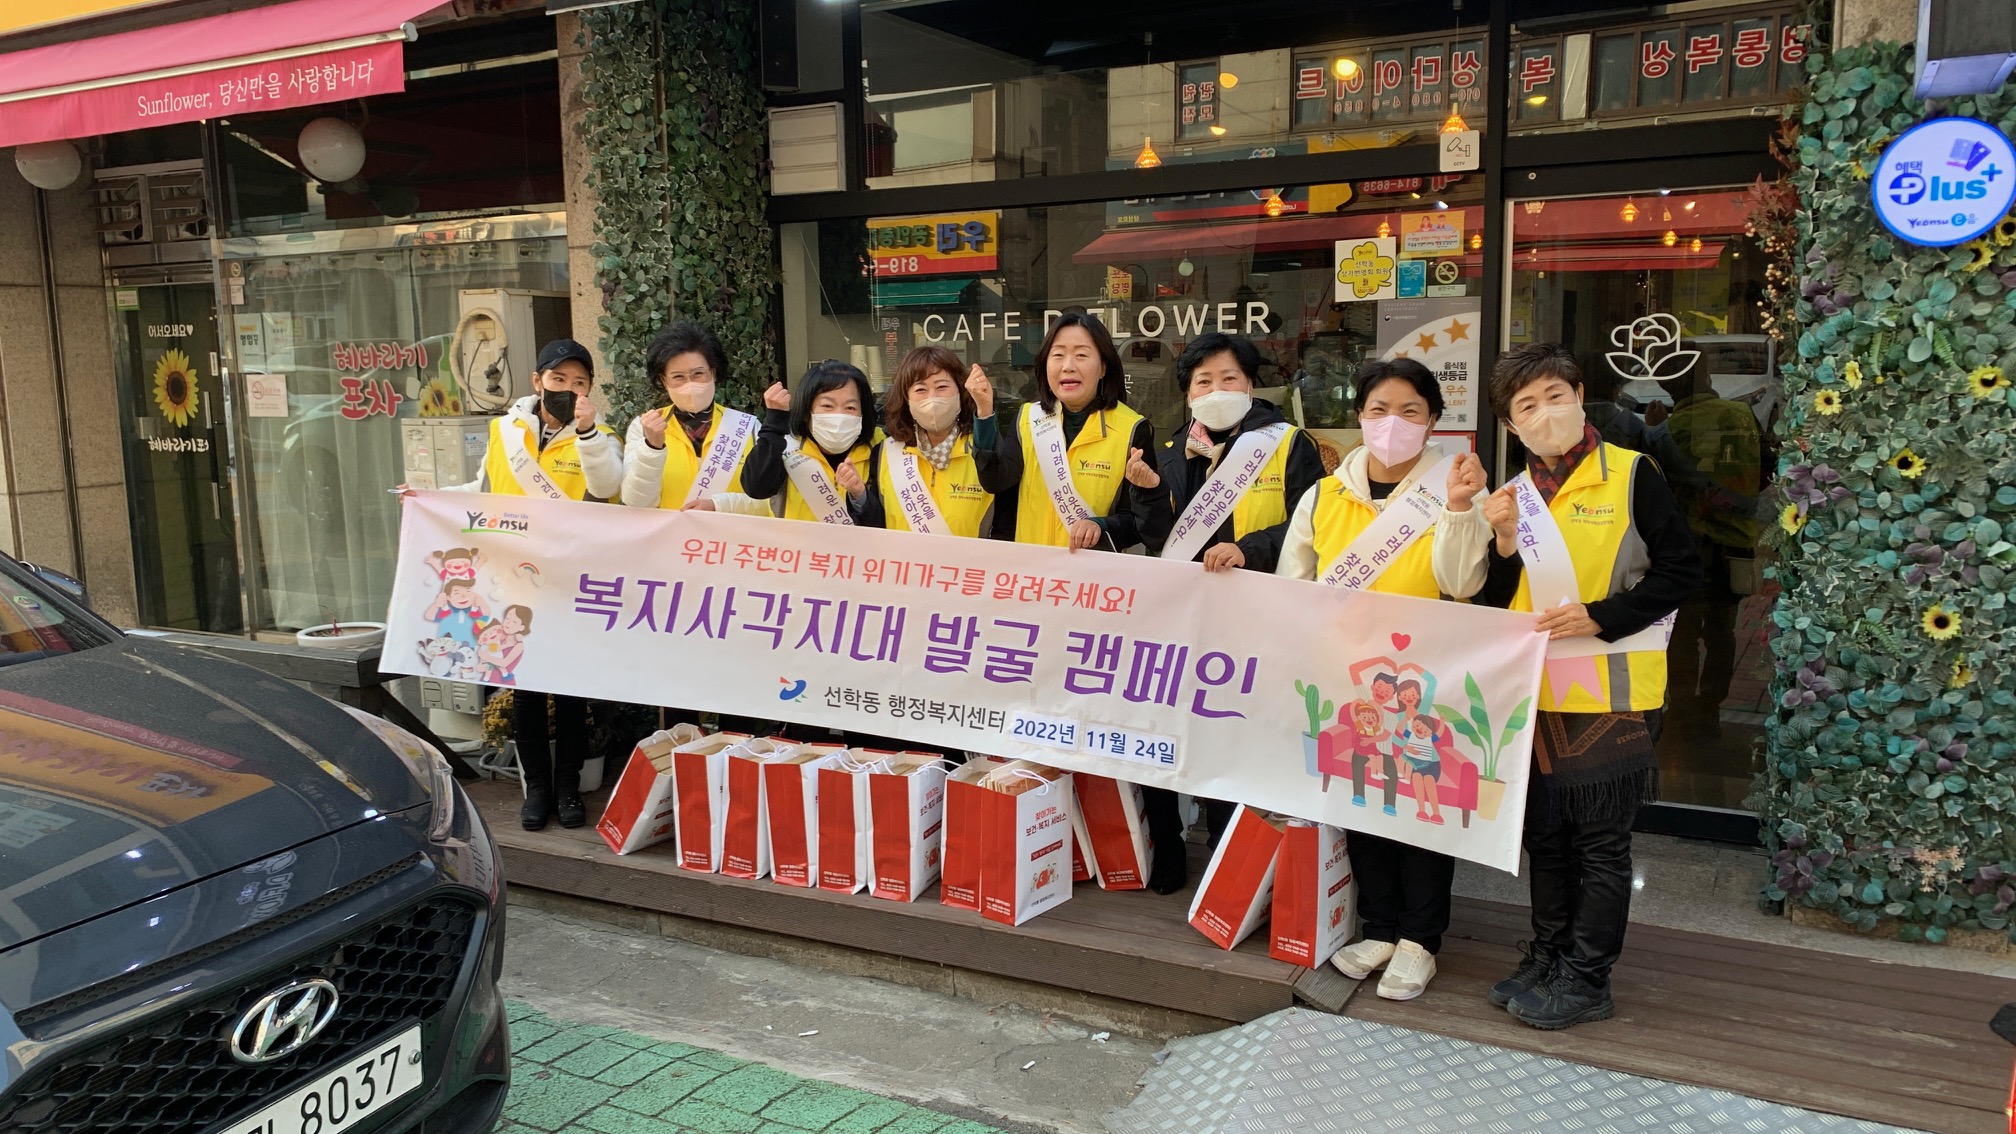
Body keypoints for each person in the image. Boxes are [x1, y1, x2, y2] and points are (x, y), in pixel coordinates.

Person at [1476, 342, 1703, 1030]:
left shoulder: (1634, 475)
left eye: (1555, 395)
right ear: (1511, 426)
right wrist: (1503, 546)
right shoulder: (1513, 497)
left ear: (1580, 396)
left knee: (1600, 845)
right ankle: (1548, 955)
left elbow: (1682, 571)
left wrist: (1601, 617)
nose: (1545, 413)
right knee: (1544, 838)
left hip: (1611, 695)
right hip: (1534, 695)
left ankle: (1587, 975)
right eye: (1527, 406)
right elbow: (1495, 599)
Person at [1274, 357, 1490, 1003]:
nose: (1391, 424)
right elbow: (1295, 583)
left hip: (1427, 681)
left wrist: (1456, 510)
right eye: (1378, 410)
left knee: (1424, 805)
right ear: (1359, 416)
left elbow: (1463, 582)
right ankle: (1382, 928)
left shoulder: (1452, 489)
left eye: (1410, 411)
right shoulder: (1324, 493)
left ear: (1432, 422)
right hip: (1347, 680)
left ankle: (1422, 940)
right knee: (1362, 801)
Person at [1133, 332, 1324, 893]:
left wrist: (1250, 548)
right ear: (1188, 393)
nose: (1217, 390)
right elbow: (1162, 540)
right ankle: (1170, 850)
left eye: (1230, 379)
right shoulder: (1170, 451)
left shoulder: (1287, 443)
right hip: (1186, 620)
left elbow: (1312, 523)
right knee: (1171, 730)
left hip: (1258, 620)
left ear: (1251, 384)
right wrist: (1146, 494)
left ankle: (1229, 860)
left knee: (1234, 738)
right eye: (1204, 382)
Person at [442, 338, 621, 832]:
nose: (568, 389)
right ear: (537, 381)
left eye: (579, 382)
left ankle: (568, 789)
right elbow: (481, 490)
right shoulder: (505, 430)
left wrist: (586, 432)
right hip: (510, 576)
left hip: (568, 578)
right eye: (558, 379)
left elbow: (609, 488)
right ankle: (535, 788)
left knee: (567, 690)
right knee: (521, 686)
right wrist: (427, 498)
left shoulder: (602, 435)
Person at [987, 312, 1168, 552]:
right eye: (1058, 355)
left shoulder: (1131, 428)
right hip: (1030, 577)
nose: (1068, 366)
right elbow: (1003, 504)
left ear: (1103, 366)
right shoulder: (1027, 420)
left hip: (1090, 583)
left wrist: (1102, 526)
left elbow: (1137, 523)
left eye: (1081, 355)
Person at [707, 360, 884, 526]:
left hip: (856, 557)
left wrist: (859, 495)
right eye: (827, 406)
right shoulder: (786, 446)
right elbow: (757, 489)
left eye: (850, 408)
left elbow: (886, 519)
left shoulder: (880, 447)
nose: (839, 415)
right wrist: (774, 422)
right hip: (796, 556)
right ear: (807, 409)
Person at [880, 346, 1016, 538]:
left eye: (942, 387)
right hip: (904, 567)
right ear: (906, 398)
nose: (932, 398)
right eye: (920, 389)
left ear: (960, 391)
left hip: (970, 567)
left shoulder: (985, 449)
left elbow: (1006, 524)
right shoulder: (885, 454)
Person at [621, 321, 758, 511]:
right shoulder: (644, 426)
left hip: (730, 539)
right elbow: (635, 502)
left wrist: (719, 505)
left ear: (713, 372)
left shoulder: (747, 427)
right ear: (663, 380)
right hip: (671, 539)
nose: (690, 384)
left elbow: (770, 500)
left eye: (698, 373)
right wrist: (652, 447)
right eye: (678, 377)